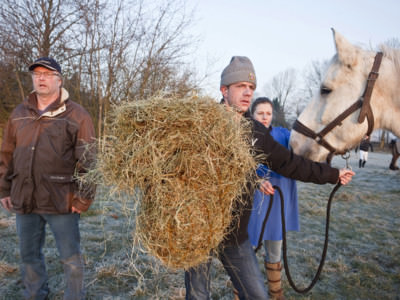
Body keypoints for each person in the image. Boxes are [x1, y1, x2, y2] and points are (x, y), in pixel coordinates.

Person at [184, 56, 355, 300]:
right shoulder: (200, 123)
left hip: (234, 233)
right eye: (241, 86)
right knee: (198, 296)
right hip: (198, 229)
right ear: (224, 89)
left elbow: (289, 163)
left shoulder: (255, 132)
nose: (247, 93)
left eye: (251, 88)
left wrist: (332, 174)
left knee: (257, 296)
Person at [0, 57, 96, 300]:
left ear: (59, 80)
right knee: (29, 256)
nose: (41, 78)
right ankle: (35, 295)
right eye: (37, 74)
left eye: (47, 73)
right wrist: (4, 189)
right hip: (25, 198)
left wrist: (83, 198)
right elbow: (6, 153)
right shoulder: (20, 113)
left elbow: (90, 161)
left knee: (71, 258)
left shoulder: (77, 115)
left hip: (61, 200)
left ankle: (75, 297)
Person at [247, 97, 298, 299]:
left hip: (277, 198)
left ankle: (276, 294)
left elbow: (300, 150)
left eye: (268, 113)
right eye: (261, 113)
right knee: (247, 249)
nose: (265, 117)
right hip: (254, 199)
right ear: (252, 115)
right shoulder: (244, 135)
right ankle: (241, 292)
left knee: (274, 248)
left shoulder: (284, 134)